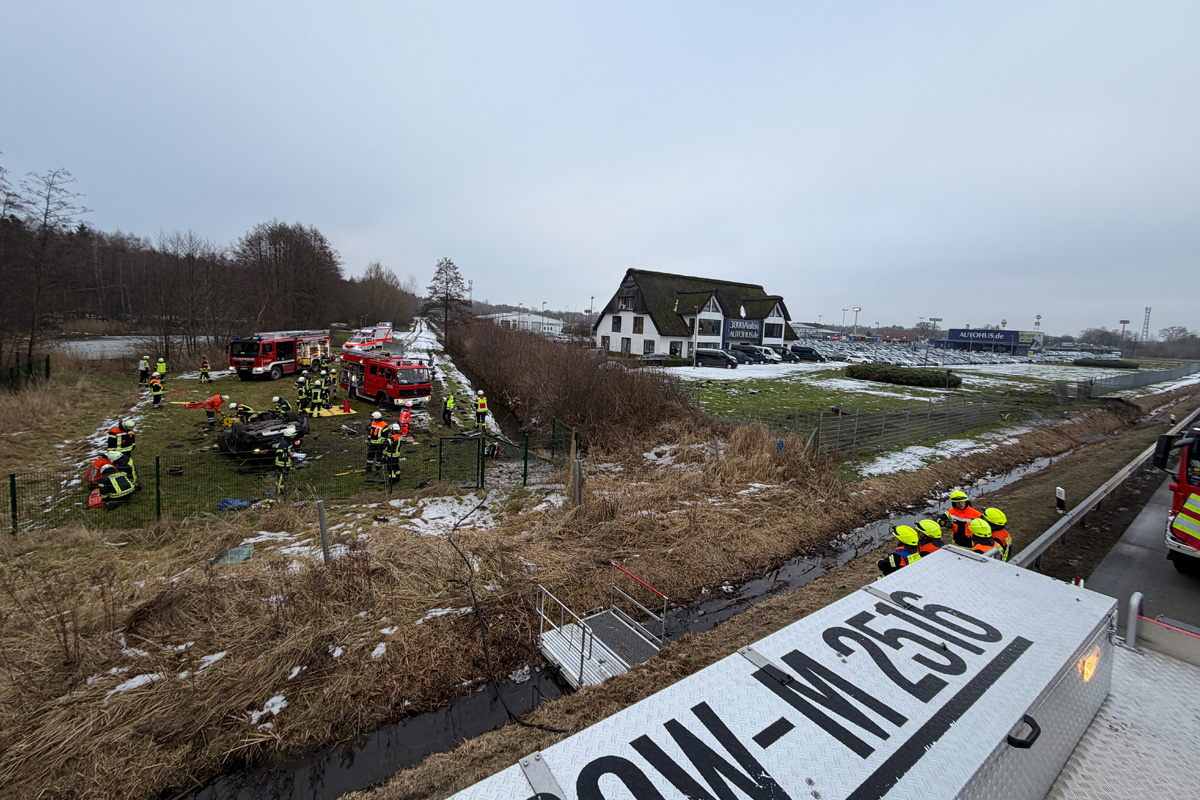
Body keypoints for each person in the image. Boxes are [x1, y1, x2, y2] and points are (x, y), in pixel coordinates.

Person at [273, 426, 296, 497]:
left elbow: (290, 449)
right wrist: (288, 454)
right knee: (281, 478)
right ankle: (280, 492)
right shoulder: (284, 443)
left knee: (285, 477)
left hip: (287, 463)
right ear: (289, 435)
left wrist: (293, 452)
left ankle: (283, 489)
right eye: (292, 435)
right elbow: (279, 453)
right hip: (281, 463)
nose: (294, 436)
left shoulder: (289, 442)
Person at [385, 423, 404, 487]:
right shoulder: (400, 436)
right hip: (397, 454)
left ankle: (392, 480)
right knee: (396, 466)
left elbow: (387, 444)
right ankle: (397, 477)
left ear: (394, 430)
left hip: (391, 454)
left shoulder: (393, 437)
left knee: (391, 468)